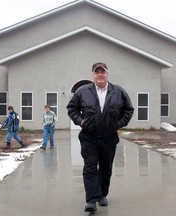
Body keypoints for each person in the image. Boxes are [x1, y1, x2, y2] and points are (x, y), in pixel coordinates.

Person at [66, 62, 134, 213]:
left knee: (105, 168)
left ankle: (102, 194)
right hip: (89, 137)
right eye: (97, 72)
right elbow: (72, 109)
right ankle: (91, 200)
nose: (100, 75)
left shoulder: (118, 91)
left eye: (102, 72)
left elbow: (128, 110)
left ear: (107, 74)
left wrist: (118, 124)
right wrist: (81, 121)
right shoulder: (82, 91)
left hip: (109, 137)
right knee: (90, 167)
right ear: (93, 75)